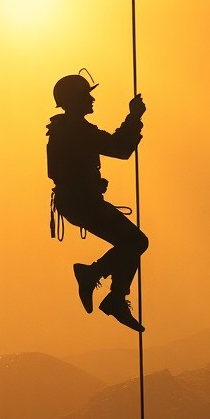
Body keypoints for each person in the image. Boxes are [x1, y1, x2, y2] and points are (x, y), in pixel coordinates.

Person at [46, 71, 148, 332]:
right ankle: (97, 280)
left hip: (78, 202)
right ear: (75, 100)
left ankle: (110, 291)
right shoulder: (76, 130)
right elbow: (120, 148)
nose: (92, 99)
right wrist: (134, 116)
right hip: (81, 203)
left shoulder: (66, 131)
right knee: (135, 241)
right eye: (86, 95)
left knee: (131, 242)